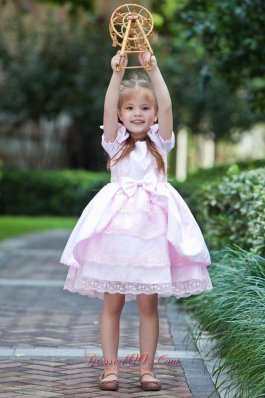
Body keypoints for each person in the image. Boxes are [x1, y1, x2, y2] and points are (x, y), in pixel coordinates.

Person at [60, 50, 212, 391]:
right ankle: (110, 369)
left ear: (154, 114)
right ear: (120, 114)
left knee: (148, 303)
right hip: (117, 232)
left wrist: (153, 68)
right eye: (130, 108)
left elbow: (169, 107)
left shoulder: (161, 142)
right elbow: (107, 106)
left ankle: (147, 370)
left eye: (145, 108)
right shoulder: (114, 144)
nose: (137, 113)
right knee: (112, 301)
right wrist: (116, 74)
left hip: (153, 234)